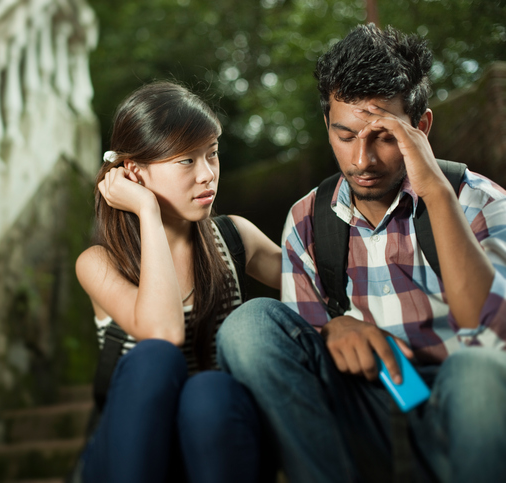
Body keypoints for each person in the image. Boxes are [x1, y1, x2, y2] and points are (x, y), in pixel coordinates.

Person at [217, 23, 506, 483]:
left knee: (476, 374)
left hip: (468, 408)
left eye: (385, 137)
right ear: (328, 127)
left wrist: (434, 192)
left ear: (422, 127)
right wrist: (334, 327)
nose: (361, 161)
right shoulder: (308, 220)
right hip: (367, 410)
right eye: (345, 135)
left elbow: (488, 326)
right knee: (249, 326)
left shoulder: (481, 201)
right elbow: (304, 351)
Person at [75, 81, 282, 482]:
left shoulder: (234, 238)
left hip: (215, 445)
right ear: (134, 171)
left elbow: (319, 284)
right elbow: (162, 333)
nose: (207, 175)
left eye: (212, 155)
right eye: (186, 161)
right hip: (128, 455)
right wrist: (147, 213)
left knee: (211, 393)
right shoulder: (100, 263)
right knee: (154, 358)